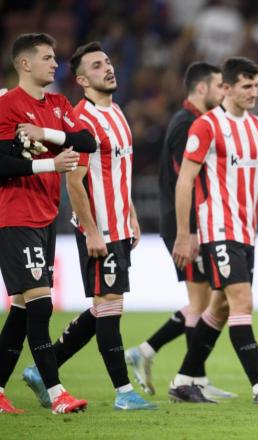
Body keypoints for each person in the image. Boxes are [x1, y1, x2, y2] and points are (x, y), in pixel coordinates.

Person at [20, 41, 156, 411]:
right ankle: (124, 393)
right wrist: (94, 231)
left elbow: (119, 171)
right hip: (101, 231)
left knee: (103, 307)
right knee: (111, 306)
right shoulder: (83, 121)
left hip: (119, 227)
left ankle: (41, 370)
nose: (108, 68)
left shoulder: (118, 112)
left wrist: (131, 215)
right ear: (81, 80)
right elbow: (75, 181)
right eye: (97, 66)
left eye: (108, 62)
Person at [169, 56, 258, 404]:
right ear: (226, 88)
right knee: (242, 301)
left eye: (257, 85)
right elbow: (185, 180)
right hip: (218, 229)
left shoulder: (257, 127)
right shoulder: (207, 126)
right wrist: (184, 233)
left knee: (221, 308)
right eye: (247, 85)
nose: (254, 91)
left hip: (246, 231)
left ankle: (183, 379)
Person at [124, 62, 236, 402]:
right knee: (205, 305)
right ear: (202, 89)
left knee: (206, 303)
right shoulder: (187, 124)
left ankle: (161, 358)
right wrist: (187, 232)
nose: (225, 90)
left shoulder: (194, 122)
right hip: (185, 227)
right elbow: (183, 181)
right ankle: (189, 380)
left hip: (192, 224)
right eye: (220, 85)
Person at [0, 33, 95, 415]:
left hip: (45, 215)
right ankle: (57, 394)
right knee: (40, 308)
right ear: (24, 64)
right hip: (16, 215)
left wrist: (46, 135)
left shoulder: (57, 104)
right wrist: (49, 163)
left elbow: (87, 140)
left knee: (22, 312)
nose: (56, 64)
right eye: (47, 57)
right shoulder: (8, 105)